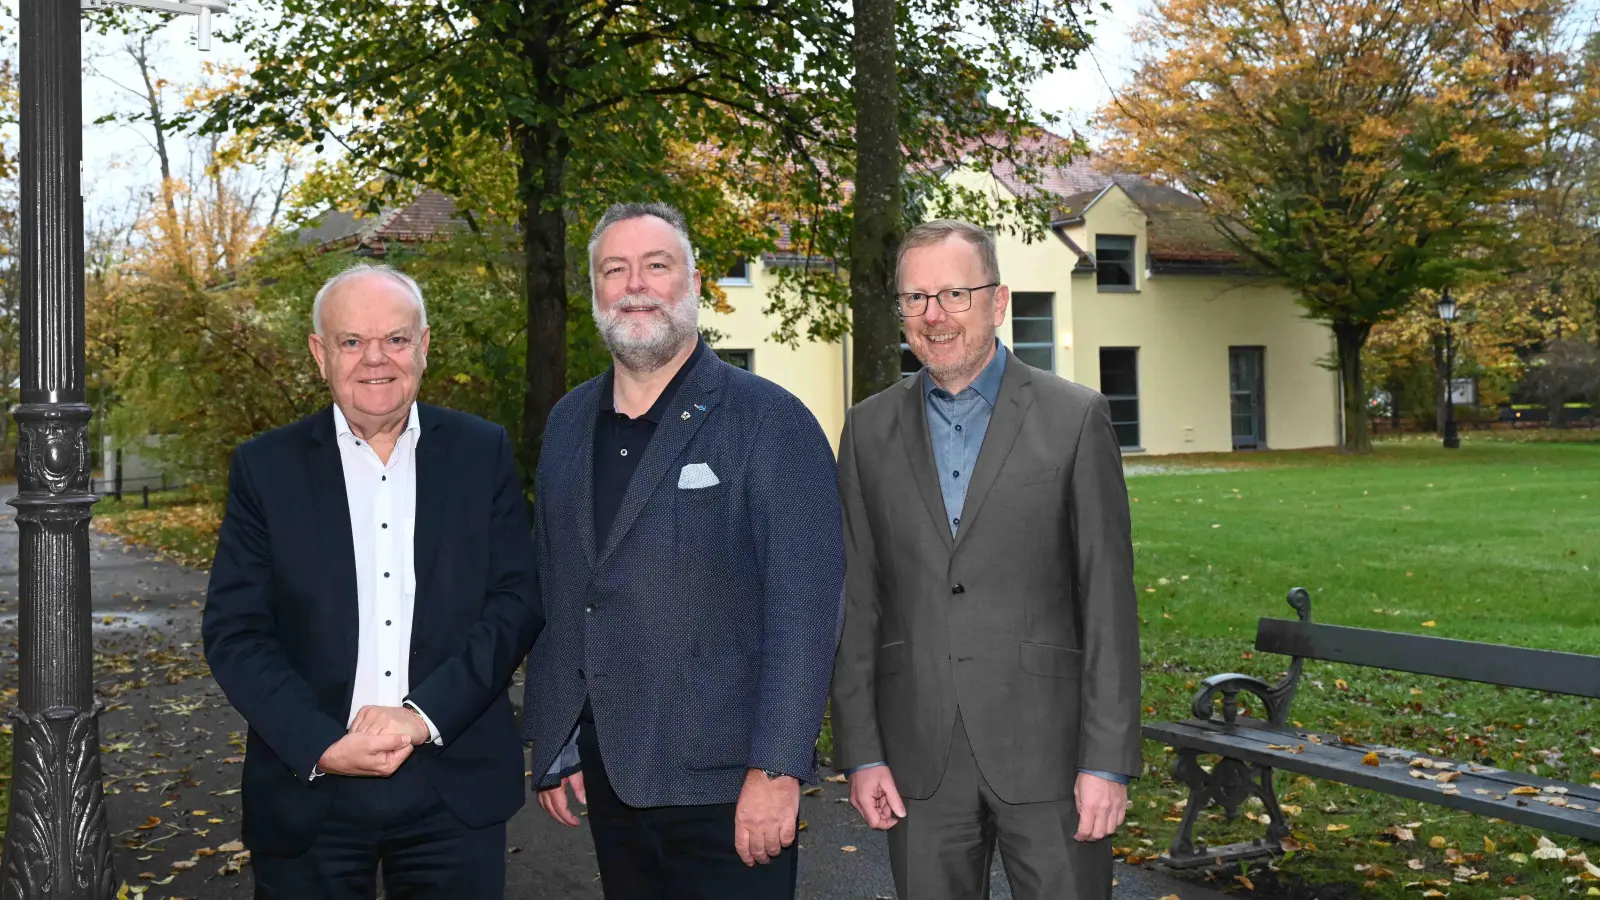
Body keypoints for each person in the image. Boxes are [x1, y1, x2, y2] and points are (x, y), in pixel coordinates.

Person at [520, 202, 844, 900]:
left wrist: (778, 769)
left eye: (656, 265)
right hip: (612, 771)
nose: (636, 284)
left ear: (694, 282)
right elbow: (561, 585)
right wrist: (557, 735)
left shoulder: (770, 421)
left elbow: (807, 613)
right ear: (595, 290)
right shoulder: (569, 423)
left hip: (730, 785)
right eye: (615, 269)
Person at [202, 264, 543, 899]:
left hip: (452, 783)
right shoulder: (265, 469)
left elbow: (516, 603)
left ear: (424, 345)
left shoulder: (481, 452)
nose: (375, 360)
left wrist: (423, 716)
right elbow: (236, 633)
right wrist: (322, 743)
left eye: (395, 338)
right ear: (319, 353)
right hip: (311, 789)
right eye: (352, 341)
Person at [829, 219, 1142, 900]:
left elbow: (1108, 602)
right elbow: (858, 602)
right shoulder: (867, 430)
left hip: (1053, 755)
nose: (933, 316)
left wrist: (1109, 762)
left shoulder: (1074, 418)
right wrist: (862, 751)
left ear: (997, 302)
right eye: (915, 298)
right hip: (918, 760)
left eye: (954, 295)